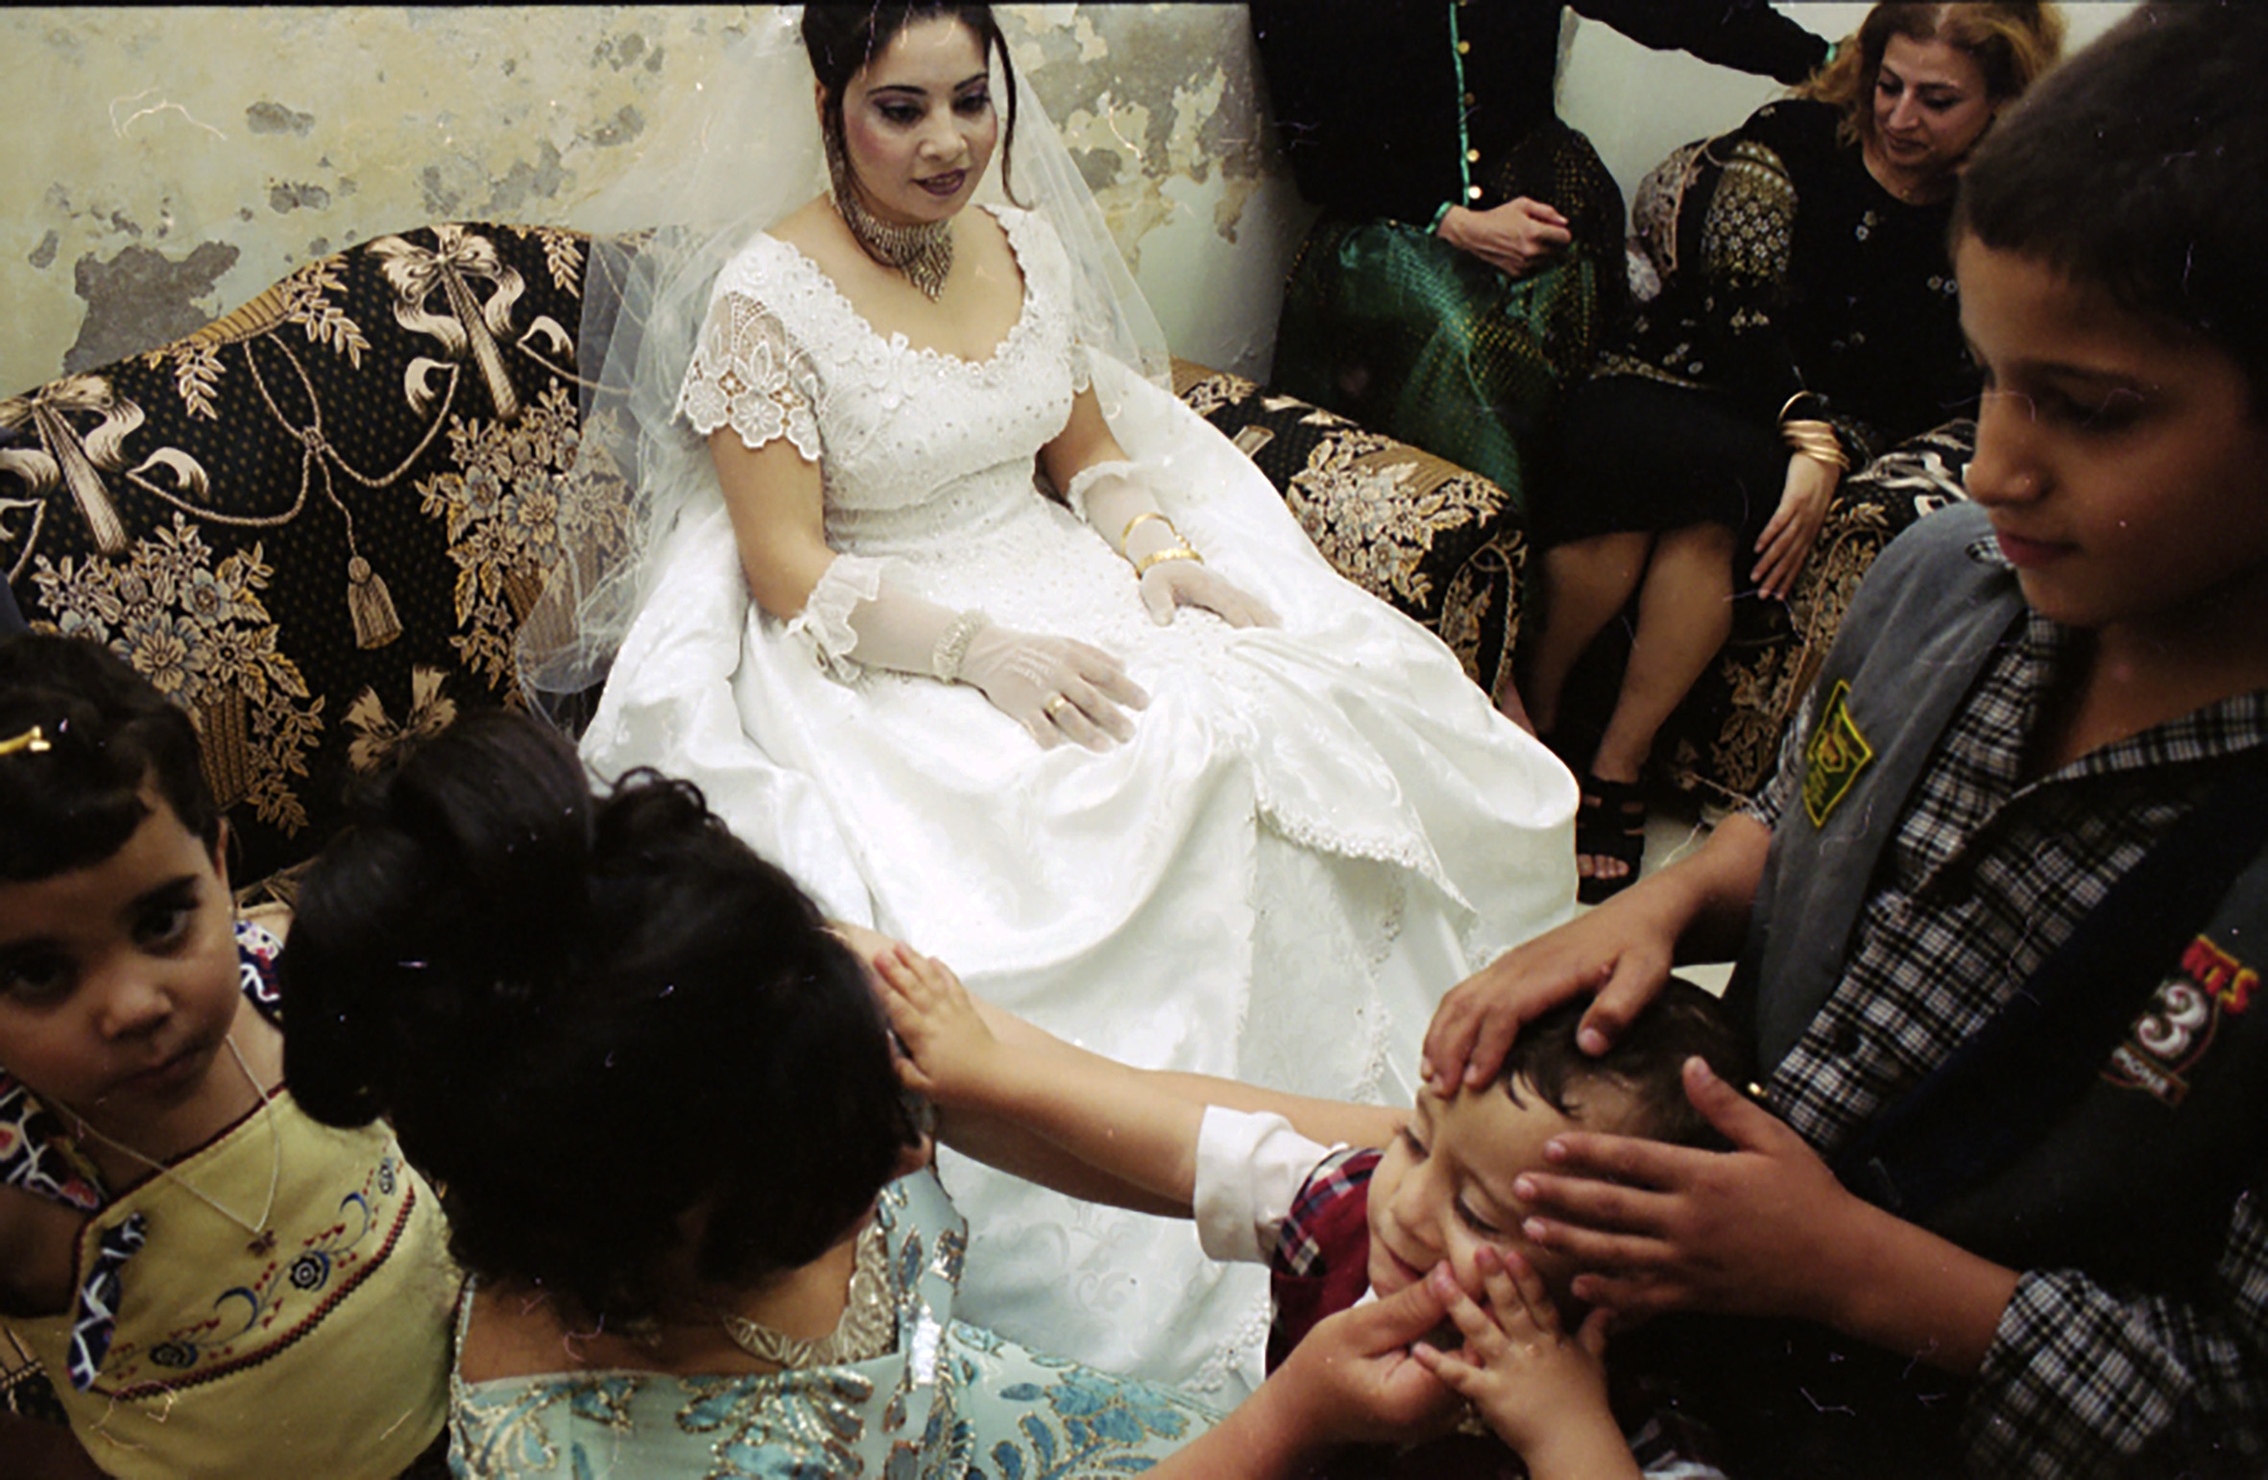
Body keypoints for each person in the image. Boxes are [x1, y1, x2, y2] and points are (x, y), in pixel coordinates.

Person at [523, 2, 1579, 1396]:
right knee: (1135, 776)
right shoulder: (765, 299)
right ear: (831, 104)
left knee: (1286, 708)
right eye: (902, 108)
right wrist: (975, 652)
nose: (948, 142)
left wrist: (1158, 547)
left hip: (1054, 565)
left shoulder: (1021, 241)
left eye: (972, 99)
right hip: (881, 624)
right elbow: (782, 564)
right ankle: (1207, 1203)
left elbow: (1081, 450)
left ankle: (1392, 1141)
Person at [1421, 5, 2268, 1474]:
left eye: (2088, 411)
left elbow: (2232, 1406)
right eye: (1989, 379)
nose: (1991, 467)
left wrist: (1842, 1266)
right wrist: (1661, 905)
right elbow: (1807, 815)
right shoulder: (1946, 581)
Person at [279, 706, 1504, 1480]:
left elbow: (1114, 1108)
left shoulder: (760, 1004)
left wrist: (1453, 1162)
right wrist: (1284, 1428)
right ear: (672, 1217)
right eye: (842, 1174)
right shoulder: (585, 1457)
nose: (913, 1149)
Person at [1518, 2, 2064, 901]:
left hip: (1813, 430)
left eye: (1937, 101)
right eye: (1888, 85)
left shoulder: (2001, 219)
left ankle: (1617, 763)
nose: (1899, 117)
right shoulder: (1793, 136)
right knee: (1630, 448)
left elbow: (1949, 380)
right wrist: (1805, 430)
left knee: (1722, 502)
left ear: (2001, 103)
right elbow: (1735, 302)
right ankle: (1535, 723)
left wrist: (1829, 446)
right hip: (1688, 368)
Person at [874, 934, 1752, 1479]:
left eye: (1479, 1216)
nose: (1406, 1205)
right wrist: (992, 1071)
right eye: (1417, 1140)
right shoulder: (1347, 1204)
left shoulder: (1639, 1435)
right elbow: (1181, 1144)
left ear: (1623, 1284)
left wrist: (1565, 1434)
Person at [0, 632, 457, 1480]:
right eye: (37, 972)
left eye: (161, 923)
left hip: (472, 1425)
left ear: (216, 864)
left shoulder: (302, 980)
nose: (133, 1006)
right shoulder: (20, 1193)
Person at [1248, 1, 1828, 521]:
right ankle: (1472, 568)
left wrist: (1822, 60)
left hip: (1539, 200)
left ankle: (1527, 556)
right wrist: (1454, 221)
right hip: (1392, 222)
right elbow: (1315, 155)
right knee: (1466, 349)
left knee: (1578, 386)